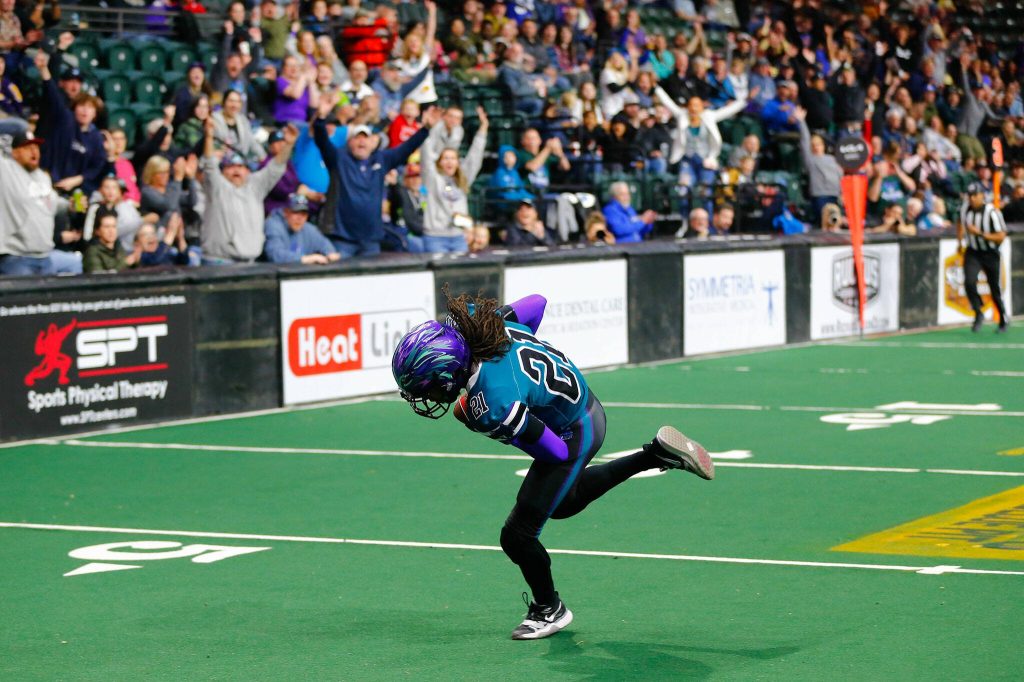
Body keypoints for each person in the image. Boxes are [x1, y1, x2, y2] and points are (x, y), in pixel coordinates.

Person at [391, 291, 714, 639]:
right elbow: (537, 303)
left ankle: (550, 610)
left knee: (517, 535)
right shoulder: (477, 327)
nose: (423, 397)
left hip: (576, 427)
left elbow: (557, 453)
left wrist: (487, 422)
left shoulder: (494, 404)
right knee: (561, 502)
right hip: (578, 397)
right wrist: (504, 329)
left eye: (425, 388)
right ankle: (655, 455)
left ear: (448, 374)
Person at [313, 103, 440, 257]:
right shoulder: (338, 158)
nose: (361, 142)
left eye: (365, 138)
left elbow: (406, 148)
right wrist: (320, 119)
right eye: (357, 138)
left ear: (372, 142)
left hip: (370, 239)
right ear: (349, 142)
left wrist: (425, 129)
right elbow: (322, 141)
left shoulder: (381, 159)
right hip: (342, 237)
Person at [200, 118, 297, 264]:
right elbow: (209, 166)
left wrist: (288, 145)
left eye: (241, 167)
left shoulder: (254, 186)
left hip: (250, 263)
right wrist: (208, 137)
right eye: (231, 166)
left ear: (248, 171)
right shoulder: (217, 186)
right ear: (223, 171)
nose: (236, 170)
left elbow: (275, 168)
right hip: (218, 261)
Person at [420, 107, 488, 253]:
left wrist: (483, 130)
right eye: (445, 158)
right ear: (439, 162)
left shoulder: (463, 180)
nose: (449, 162)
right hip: (435, 237)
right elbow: (426, 155)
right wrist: (427, 129)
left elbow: (475, 157)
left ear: (458, 162)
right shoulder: (432, 178)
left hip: (458, 237)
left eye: (453, 158)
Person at [0, 130, 61, 276]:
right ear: (15, 153)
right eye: (27, 148)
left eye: (36, 147)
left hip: (45, 258)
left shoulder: (42, 176)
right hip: (16, 258)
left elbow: (48, 209)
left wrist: (69, 205)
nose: (34, 151)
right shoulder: (6, 170)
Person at [958, 182, 1009, 333]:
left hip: (990, 253)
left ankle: (1003, 317)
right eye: (970, 196)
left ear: (982, 196)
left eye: (975, 195)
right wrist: (959, 241)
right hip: (973, 251)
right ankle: (978, 311)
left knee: (994, 288)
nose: (972, 199)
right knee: (969, 282)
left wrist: (979, 233)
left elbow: (1001, 236)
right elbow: (959, 223)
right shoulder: (964, 209)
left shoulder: (992, 212)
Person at [263, 193, 340, 264]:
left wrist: (330, 254)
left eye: (303, 214)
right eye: (296, 212)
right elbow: (274, 255)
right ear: (285, 212)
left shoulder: (307, 228)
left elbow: (325, 245)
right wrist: (306, 259)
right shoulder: (274, 225)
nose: (300, 218)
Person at [83, 208, 140, 273]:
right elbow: (98, 279)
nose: (111, 231)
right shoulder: (92, 252)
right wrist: (125, 263)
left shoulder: (118, 246)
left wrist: (136, 260)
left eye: (114, 226)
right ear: (97, 231)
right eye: (107, 227)